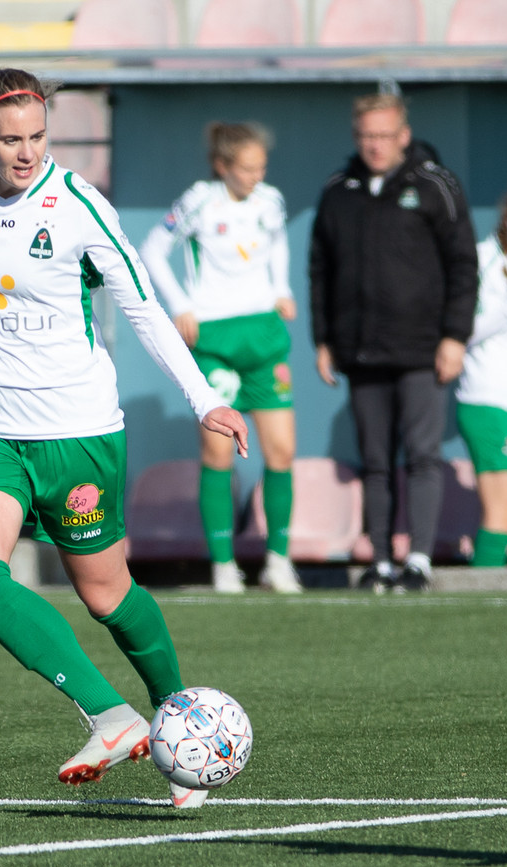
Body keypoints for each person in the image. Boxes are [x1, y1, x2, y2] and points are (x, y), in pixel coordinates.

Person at [0, 68, 248, 809]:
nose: (27, 153)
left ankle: (182, 727)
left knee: (106, 594)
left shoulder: (76, 203)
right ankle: (110, 715)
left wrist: (204, 398)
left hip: (75, 427)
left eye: (38, 137)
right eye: (10, 139)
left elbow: (141, 305)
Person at [309, 91, 478, 593]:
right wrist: (324, 339)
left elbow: (463, 266)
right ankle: (381, 561)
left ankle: (419, 560)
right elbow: (320, 269)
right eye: (366, 136)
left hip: (423, 349)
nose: (375, 145)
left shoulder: (436, 184)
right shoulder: (338, 189)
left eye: (384, 136)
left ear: (403, 136)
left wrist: (455, 337)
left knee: (423, 455)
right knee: (375, 461)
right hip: (361, 350)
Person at [140, 122, 301, 595]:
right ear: (222, 165)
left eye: (261, 167)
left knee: (281, 450)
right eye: (246, 168)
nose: (255, 176)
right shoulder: (199, 201)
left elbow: (279, 243)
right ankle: (224, 565)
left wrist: (282, 288)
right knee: (218, 452)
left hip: (263, 336)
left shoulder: (270, 201)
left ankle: (278, 561)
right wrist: (180, 305)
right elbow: (152, 249)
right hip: (213, 338)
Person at [455, 188, 507, 567]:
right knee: (502, 511)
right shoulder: (480, 260)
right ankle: (481, 589)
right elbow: (460, 331)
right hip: (488, 401)